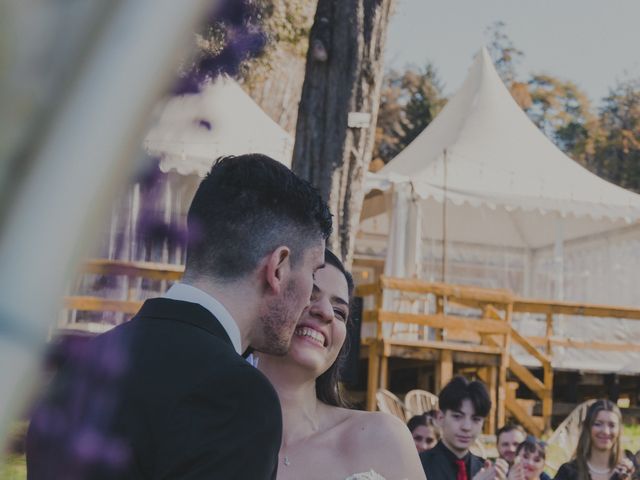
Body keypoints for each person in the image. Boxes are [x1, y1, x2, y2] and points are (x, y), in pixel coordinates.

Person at [26, 154, 332, 479]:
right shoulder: (238, 394)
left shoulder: (84, 363)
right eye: (314, 273)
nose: (311, 298)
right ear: (279, 268)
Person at [257, 250, 426, 480]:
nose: (326, 313)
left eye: (339, 312)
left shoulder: (382, 437)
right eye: (309, 295)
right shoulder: (209, 433)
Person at [420, 376, 508, 480]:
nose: (467, 427)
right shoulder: (419, 465)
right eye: (457, 416)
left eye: (476, 419)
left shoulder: (484, 469)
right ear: (440, 418)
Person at [553, 399, 635, 480]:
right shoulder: (568, 472)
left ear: (619, 430)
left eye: (612, 425)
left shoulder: (631, 470)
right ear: (588, 427)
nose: (606, 431)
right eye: (598, 424)